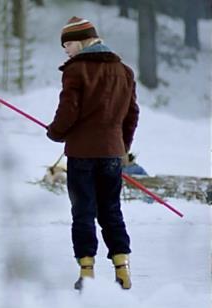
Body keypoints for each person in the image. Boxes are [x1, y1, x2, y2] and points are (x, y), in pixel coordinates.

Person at [47, 16, 139, 290]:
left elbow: (69, 111)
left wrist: (56, 132)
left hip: (82, 153)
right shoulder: (124, 71)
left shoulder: (76, 71)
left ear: (82, 41)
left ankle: (87, 272)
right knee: (112, 210)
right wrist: (122, 146)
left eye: (68, 45)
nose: (66, 51)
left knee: (83, 211)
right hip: (112, 153)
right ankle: (122, 269)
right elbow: (132, 114)